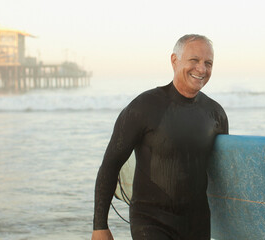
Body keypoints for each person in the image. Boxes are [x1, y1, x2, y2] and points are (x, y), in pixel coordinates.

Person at [91, 34, 229, 240]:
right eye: (194, 60)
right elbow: (111, 164)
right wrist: (100, 226)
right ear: (174, 60)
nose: (202, 69)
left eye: (208, 63)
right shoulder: (143, 107)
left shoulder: (215, 114)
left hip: (197, 223)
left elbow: (220, 173)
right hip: (150, 221)